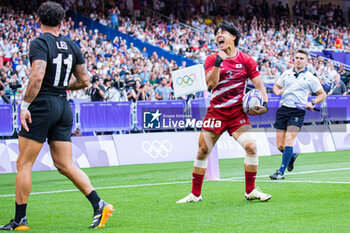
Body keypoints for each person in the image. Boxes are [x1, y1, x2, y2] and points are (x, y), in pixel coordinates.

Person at [0, 2, 114, 230]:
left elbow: (37, 76)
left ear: (38, 21)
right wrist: (62, 86)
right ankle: (99, 204)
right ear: (62, 23)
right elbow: (84, 81)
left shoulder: (39, 42)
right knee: (64, 164)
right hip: (63, 106)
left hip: (42, 105)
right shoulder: (72, 45)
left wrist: (24, 105)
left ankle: (20, 219)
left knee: (24, 163)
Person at [177, 21, 271, 204]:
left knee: (251, 147)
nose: (218, 35)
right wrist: (219, 63)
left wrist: (265, 104)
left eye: (223, 32)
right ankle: (195, 194)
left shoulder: (246, 60)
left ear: (233, 37)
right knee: (203, 151)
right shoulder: (212, 59)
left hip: (237, 114)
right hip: (216, 113)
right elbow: (211, 85)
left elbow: (259, 85)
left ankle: (250, 191)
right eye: (217, 33)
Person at [269, 49, 326, 180]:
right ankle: (292, 156)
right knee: (280, 146)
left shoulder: (311, 78)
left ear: (306, 61)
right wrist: (277, 91)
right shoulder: (286, 74)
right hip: (283, 110)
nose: (298, 60)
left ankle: (280, 172)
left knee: (289, 139)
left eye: (301, 58)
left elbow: (322, 94)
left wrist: (312, 102)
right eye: (297, 58)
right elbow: (275, 87)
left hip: (297, 112)